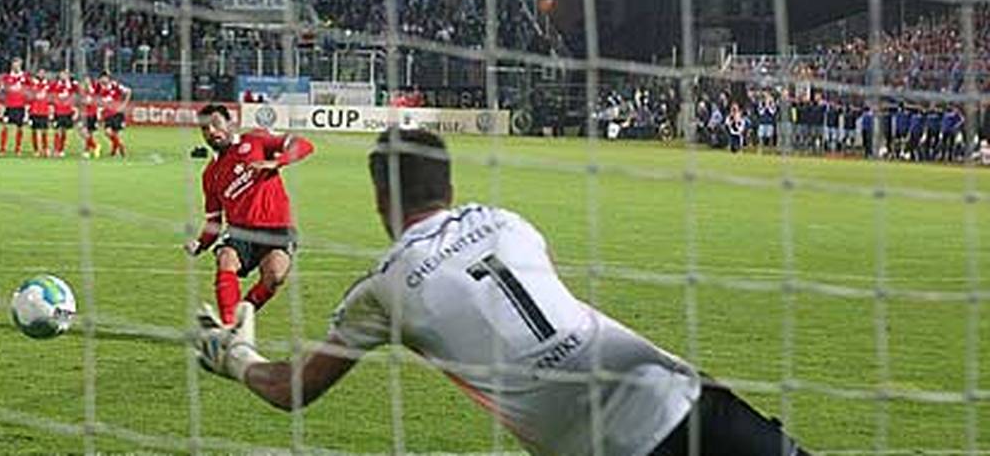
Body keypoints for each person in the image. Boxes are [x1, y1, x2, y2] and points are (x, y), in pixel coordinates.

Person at [194, 128, 813, 456]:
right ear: (449, 184)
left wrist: (236, 357)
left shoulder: (383, 286)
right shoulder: (510, 222)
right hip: (691, 397)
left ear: (382, 198)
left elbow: (293, 391)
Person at [184, 103, 315, 325]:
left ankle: (241, 319)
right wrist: (200, 243)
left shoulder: (255, 141)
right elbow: (214, 219)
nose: (211, 132)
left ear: (231, 123)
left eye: (216, 124)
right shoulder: (210, 174)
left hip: (277, 226)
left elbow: (303, 144)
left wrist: (276, 162)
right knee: (226, 259)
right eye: (205, 129)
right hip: (239, 230)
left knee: (275, 276)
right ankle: (228, 324)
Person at [97, 71, 132, 158]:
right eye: (101, 78)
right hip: (106, 114)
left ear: (108, 78)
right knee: (108, 132)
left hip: (117, 113)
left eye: (105, 77)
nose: (103, 79)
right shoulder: (98, 88)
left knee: (115, 133)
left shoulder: (115, 86)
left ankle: (114, 152)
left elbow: (129, 91)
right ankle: (121, 147)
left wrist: (124, 105)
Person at [0, 57, 29, 155]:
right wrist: (1, 107)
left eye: (18, 64)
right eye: (14, 63)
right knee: (5, 126)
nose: (16, 66)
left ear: (21, 65)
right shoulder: (6, 77)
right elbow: (2, 93)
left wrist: (27, 108)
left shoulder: (25, 77)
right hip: (9, 106)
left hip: (20, 106)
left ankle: (18, 149)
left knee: (19, 128)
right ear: (12, 65)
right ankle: (3, 148)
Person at [50, 70, 78, 158]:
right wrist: (51, 110)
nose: (63, 76)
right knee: (57, 130)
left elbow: (78, 94)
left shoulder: (72, 86)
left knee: (64, 131)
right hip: (58, 111)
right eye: (62, 74)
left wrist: (75, 109)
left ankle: (61, 149)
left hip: (67, 111)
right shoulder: (55, 85)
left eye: (65, 75)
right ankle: (55, 149)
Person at [27, 68, 52, 157]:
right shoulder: (32, 84)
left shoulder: (48, 84)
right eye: (40, 72)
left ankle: (45, 149)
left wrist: (50, 110)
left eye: (43, 73)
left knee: (44, 131)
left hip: (44, 111)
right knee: (34, 131)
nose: (41, 74)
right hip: (34, 110)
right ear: (37, 74)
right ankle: (36, 150)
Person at [79, 74, 102, 159]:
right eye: (85, 80)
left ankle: (87, 150)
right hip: (84, 114)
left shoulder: (94, 89)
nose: (86, 82)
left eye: (87, 80)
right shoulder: (82, 91)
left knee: (89, 133)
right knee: (83, 132)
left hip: (92, 114)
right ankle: (95, 146)